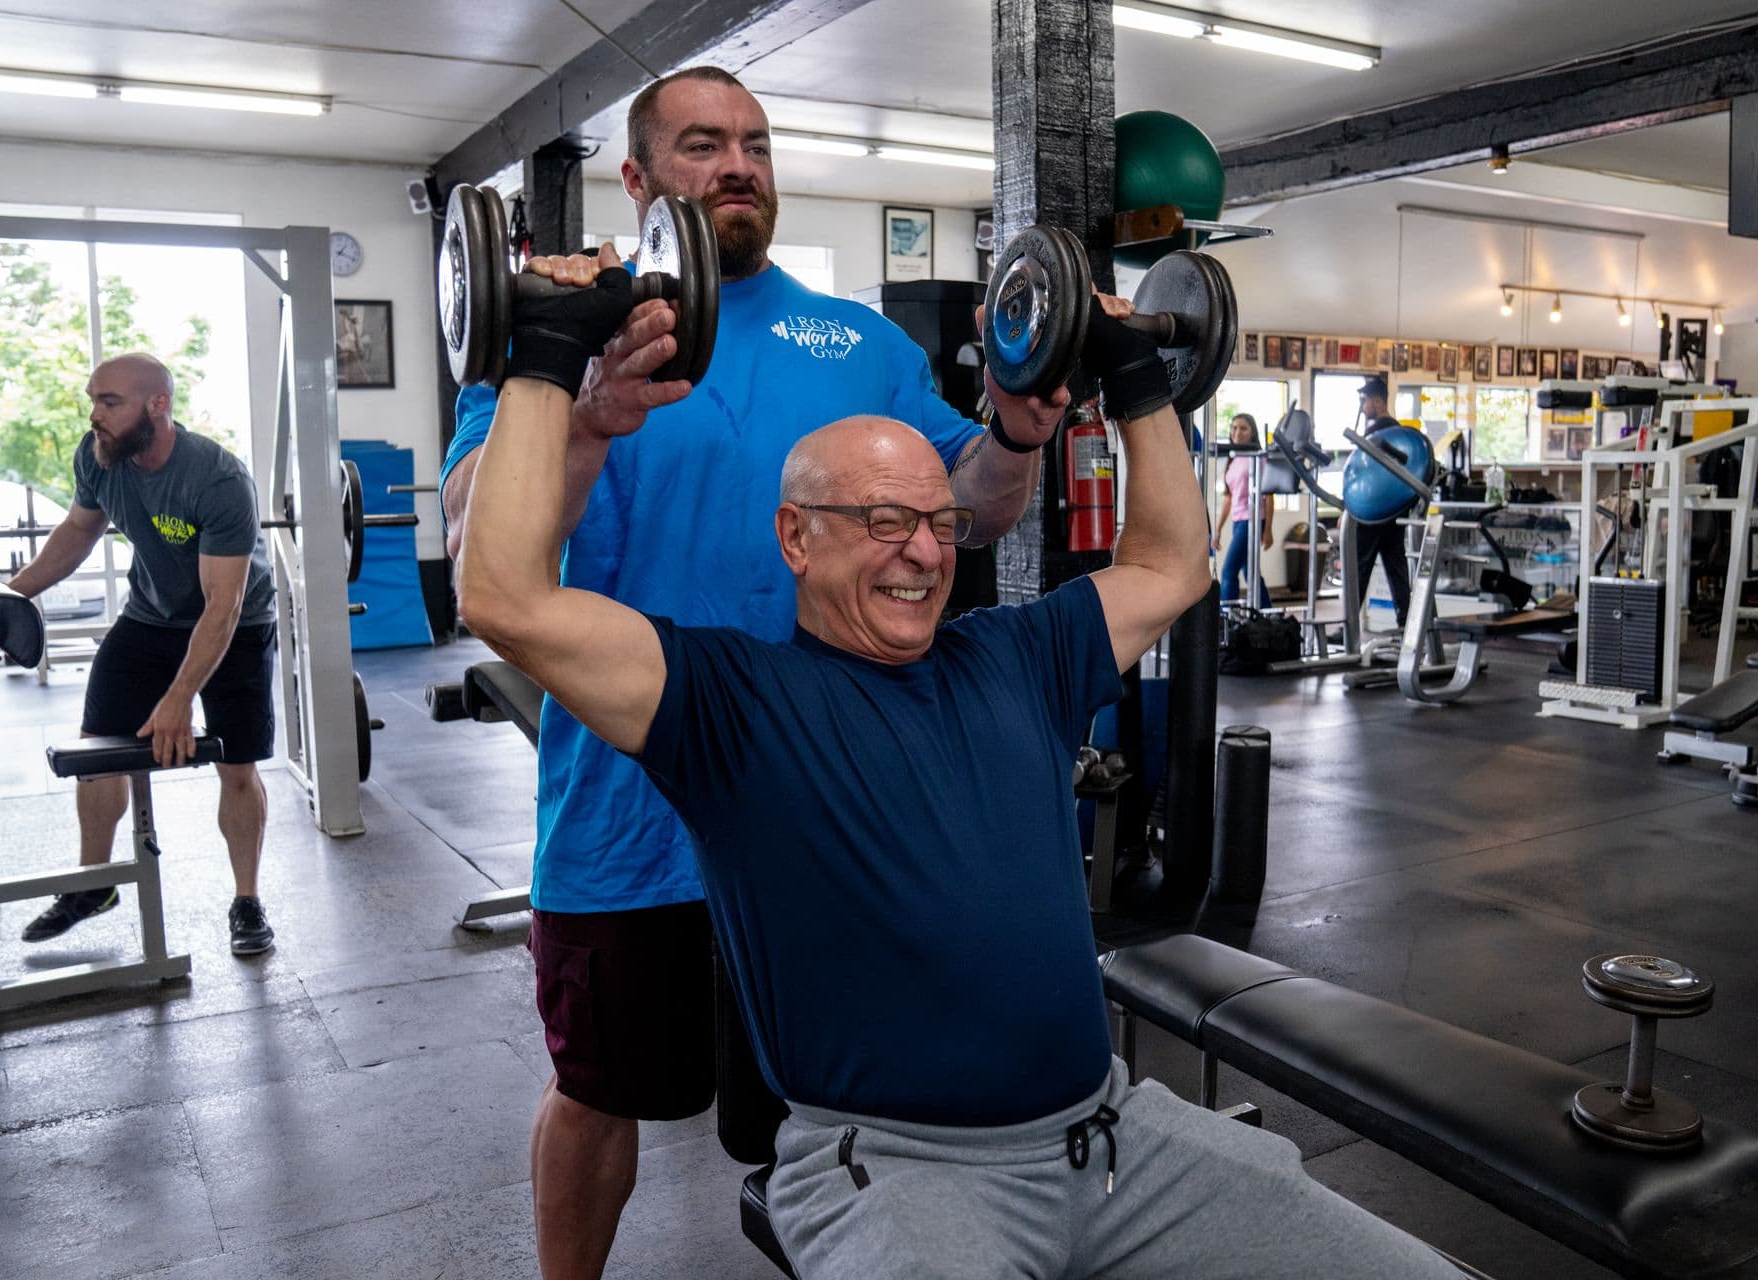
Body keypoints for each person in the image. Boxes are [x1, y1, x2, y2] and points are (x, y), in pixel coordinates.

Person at [455, 256, 1462, 1280]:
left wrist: (1134, 378)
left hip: (1117, 1140)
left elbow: (1172, 566)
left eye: (938, 523)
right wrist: (548, 350)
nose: (925, 552)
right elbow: (505, 594)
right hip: (900, 1173)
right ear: (794, 537)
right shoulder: (725, 702)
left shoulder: (1015, 655)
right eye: (883, 521)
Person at [437, 66, 1065, 1279]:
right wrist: (580, 417)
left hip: (830, 809)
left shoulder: (861, 343)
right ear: (637, 179)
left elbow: (973, 512)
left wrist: (1019, 434)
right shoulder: (558, 330)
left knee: (852, 1111)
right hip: (632, 813)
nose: (738, 165)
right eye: (703, 144)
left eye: (757, 145)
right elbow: (478, 549)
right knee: (596, 1089)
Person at [3, 353, 278, 956]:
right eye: (92, 400)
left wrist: (178, 698)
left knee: (236, 766)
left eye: (109, 403)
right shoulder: (99, 457)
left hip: (236, 621)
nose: (94, 415)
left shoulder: (217, 478)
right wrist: (6, 596)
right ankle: (94, 885)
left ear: (158, 405)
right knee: (97, 748)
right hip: (149, 617)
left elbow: (222, 606)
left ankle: (247, 899)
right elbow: (79, 531)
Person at [1350, 376, 1413, 628]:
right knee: (1396, 568)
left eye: (1365, 401)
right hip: (1392, 512)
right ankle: (1406, 621)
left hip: (1375, 512)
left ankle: (1349, 625)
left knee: (1360, 568)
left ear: (1377, 401)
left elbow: (1369, 473)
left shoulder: (1380, 432)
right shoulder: (1395, 430)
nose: (1363, 407)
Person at [1215, 412, 1273, 607]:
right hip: (1238, 520)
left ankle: (1226, 619)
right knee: (1251, 573)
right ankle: (1268, 615)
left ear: (1252, 433)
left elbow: (1268, 495)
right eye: (1234, 428)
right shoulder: (1233, 459)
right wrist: (1218, 529)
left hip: (1253, 519)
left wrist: (1268, 529)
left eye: (1243, 428)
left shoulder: (1257, 458)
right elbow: (1229, 498)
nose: (1237, 432)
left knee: (1228, 571)